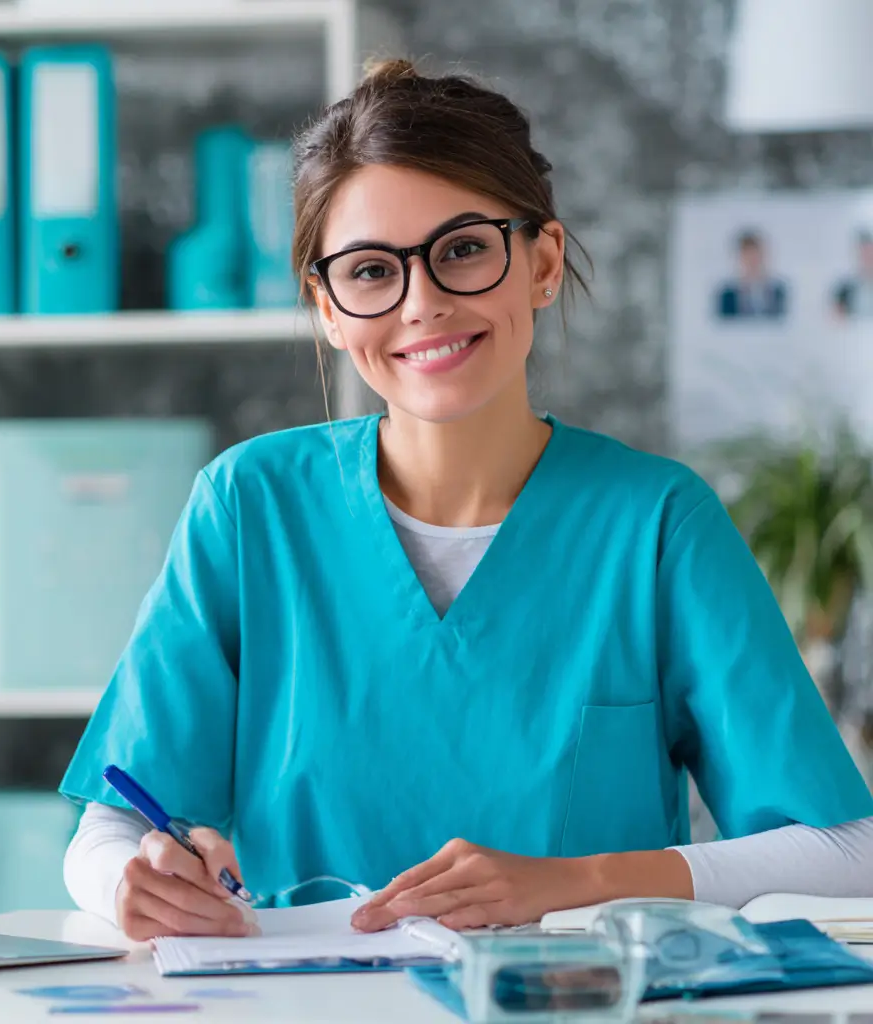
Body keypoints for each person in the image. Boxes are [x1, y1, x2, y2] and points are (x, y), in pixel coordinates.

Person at [60, 60, 873, 942]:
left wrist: (572, 885)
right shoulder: (249, 507)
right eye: (371, 271)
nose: (424, 304)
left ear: (543, 263)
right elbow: (110, 825)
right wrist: (125, 884)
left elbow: (848, 851)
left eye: (463, 250)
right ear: (327, 308)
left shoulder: (656, 524)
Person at [716, 231, 788, 320]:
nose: (752, 262)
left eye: (756, 256)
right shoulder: (727, 295)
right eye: (747, 257)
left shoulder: (778, 292)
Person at [833, 231, 873, 318]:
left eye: (870, 253)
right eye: (864, 253)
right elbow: (836, 318)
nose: (868, 258)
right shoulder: (845, 288)